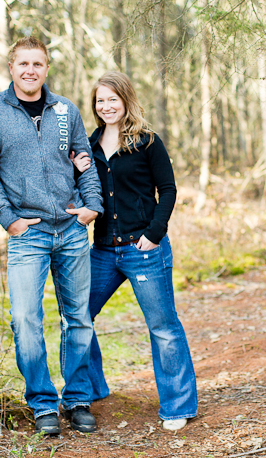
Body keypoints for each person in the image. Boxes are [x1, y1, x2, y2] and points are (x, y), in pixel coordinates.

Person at [0, 36, 103, 436]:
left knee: (79, 319)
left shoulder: (65, 109)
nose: (30, 70)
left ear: (46, 69)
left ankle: (79, 399)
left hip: (70, 230)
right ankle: (42, 404)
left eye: (38, 64)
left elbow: (85, 159)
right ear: (11, 68)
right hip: (27, 234)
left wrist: (91, 207)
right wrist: (8, 218)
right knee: (25, 320)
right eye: (23, 64)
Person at [71, 71, 198, 431]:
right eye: (100, 100)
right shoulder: (91, 144)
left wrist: (155, 233)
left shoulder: (147, 141)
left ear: (126, 101)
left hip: (144, 249)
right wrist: (74, 168)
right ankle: (93, 388)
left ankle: (178, 406)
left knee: (163, 326)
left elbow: (168, 190)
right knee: (78, 317)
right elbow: (84, 191)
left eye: (113, 99)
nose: (106, 106)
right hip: (103, 250)